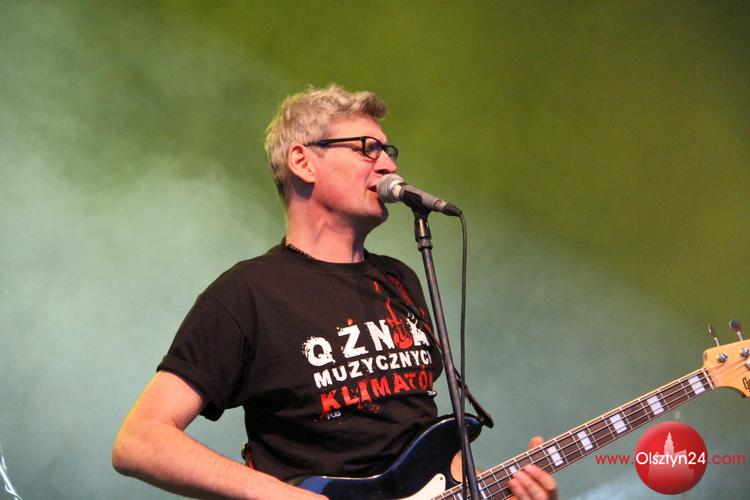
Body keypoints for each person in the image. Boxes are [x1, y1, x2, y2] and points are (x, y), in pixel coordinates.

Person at [112, 84, 558, 500]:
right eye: (367, 148)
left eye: (388, 151)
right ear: (303, 162)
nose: (388, 166)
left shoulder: (400, 281)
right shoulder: (248, 294)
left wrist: (503, 491)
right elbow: (139, 440)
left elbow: (433, 451)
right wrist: (280, 496)